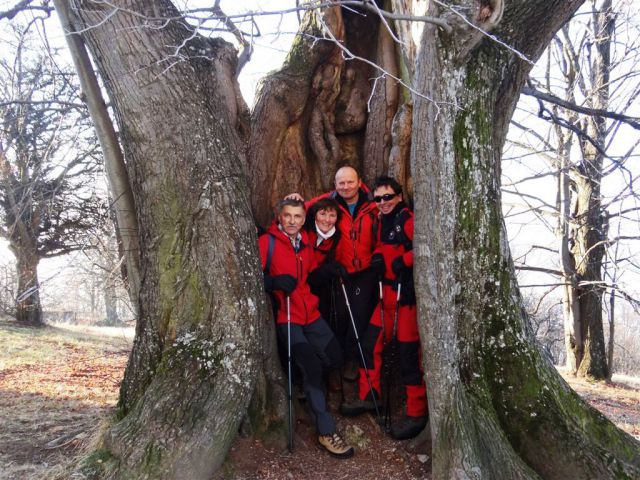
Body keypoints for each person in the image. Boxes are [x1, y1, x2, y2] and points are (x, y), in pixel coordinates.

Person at [258, 198, 354, 458]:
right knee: (312, 366)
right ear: (279, 216)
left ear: (303, 219)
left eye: (297, 216)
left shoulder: (306, 242)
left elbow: (310, 274)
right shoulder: (267, 243)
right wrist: (274, 281)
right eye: (287, 216)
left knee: (335, 356)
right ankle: (325, 430)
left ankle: (305, 383)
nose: (292, 221)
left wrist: (328, 271)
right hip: (287, 318)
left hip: (310, 313)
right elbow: (253, 276)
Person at [339, 176, 428, 441]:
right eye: (378, 199)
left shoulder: (407, 219)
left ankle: (416, 413)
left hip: (406, 298)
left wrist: (406, 260)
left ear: (399, 196)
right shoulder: (381, 221)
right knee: (370, 343)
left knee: (408, 355)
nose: (383, 203)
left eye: (388, 197)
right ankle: (370, 396)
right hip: (386, 295)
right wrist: (378, 256)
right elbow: (380, 246)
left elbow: (425, 247)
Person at [287, 166, 379, 380]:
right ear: (335, 185)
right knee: (340, 315)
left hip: (365, 270)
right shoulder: (329, 201)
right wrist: (294, 200)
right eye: (341, 183)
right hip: (340, 269)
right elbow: (299, 210)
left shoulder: (372, 203)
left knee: (360, 314)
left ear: (359, 181)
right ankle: (336, 362)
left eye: (350, 182)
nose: (346, 187)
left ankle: (351, 360)